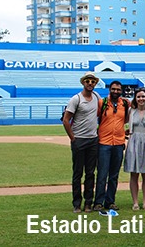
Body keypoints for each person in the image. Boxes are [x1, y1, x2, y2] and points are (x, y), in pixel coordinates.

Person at [62, 72, 100, 213]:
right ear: (83, 82)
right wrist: (73, 138)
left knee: (90, 173)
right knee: (78, 173)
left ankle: (88, 203)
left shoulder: (97, 97)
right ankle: (77, 204)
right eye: (88, 81)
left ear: (95, 83)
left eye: (92, 81)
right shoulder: (76, 99)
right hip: (79, 140)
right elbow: (66, 120)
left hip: (92, 140)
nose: (90, 83)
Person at [94, 81, 128, 212]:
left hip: (118, 143)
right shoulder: (102, 103)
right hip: (104, 143)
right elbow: (94, 117)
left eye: (118, 89)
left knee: (114, 175)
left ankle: (110, 201)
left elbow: (127, 118)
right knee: (102, 174)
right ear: (110, 89)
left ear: (121, 91)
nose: (116, 91)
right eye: (113, 89)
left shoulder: (124, 104)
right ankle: (98, 202)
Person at [124, 87, 145, 211]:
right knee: (134, 174)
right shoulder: (131, 111)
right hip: (134, 141)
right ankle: (135, 202)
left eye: (143, 96)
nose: (141, 99)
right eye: (138, 97)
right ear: (135, 98)